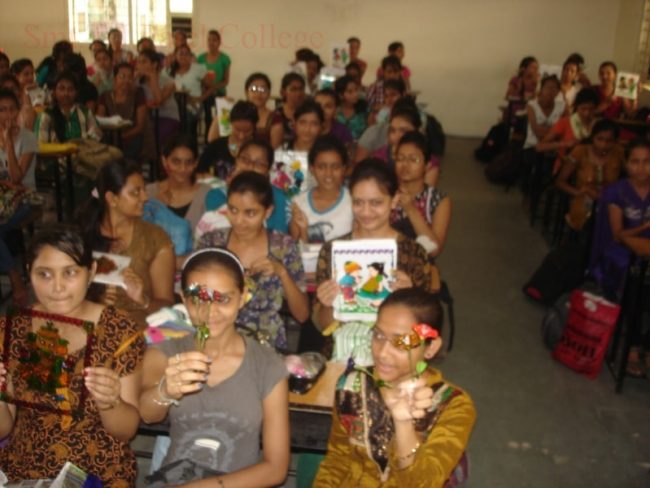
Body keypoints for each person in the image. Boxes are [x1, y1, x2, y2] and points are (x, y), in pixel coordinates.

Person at [0, 226, 145, 485]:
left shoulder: (118, 330)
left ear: (91, 273)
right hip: (25, 467)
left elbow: (126, 431)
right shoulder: (13, 329)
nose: (57, 287)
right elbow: (4, 427)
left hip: (97, 468)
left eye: (70, 273)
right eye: (44, 274)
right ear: (29, 273)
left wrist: (110, 402)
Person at [139, 248, 289, 486]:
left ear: (243, 296)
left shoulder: (267, 365)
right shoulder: (164, 353)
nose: (210, 312)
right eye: (198, 300)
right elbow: (147, 414)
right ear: (184, 299)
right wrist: (165, 391)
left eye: (224, 299)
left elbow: (276, 468)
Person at [314, 288, 476, 487]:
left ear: (431, 347)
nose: (382, 353)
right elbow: (337, 459)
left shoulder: (453, 405)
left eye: (401, 342)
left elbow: (424, 483)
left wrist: (403, 424)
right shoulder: (352, 385)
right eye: (379, 336)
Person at [314, 159, 434, 331]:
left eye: (376, 203)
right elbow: (323, 326)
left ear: (394, 200)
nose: (366, 212)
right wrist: (328, 304)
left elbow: (424, 330)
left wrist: (409, 299)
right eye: (358, 202)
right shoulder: (332, 251)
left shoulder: (414, 253)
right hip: (345, 344)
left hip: (394, 346)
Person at [198, 171, 308, 350]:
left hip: (265, 343)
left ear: (268, 211)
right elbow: (194, 297)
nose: (239, 221)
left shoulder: (283, 246)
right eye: (233, 210)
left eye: (250, 213)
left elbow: (302, 314)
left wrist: (281, 272)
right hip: (217, 336)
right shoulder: (212, 243)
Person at [79, 159, 175, 326]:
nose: (145, 197)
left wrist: (142, 300)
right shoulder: (83, 234)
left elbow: (167, 307)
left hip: (137, 327)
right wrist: (94, 299)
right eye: (135, 192)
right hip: (90, 322)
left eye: (144, 190)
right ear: (112, 198)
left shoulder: (155, 239)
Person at [588, 139, 650, 376]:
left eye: (647, 162)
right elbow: (618, 234)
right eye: (635, 162)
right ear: (626, 164)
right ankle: (633, 344)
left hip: (644, 249)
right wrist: (645, 226)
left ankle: (647, 344)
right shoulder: (617, 191)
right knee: (634, 279)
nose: (641, 168)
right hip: (619, 251)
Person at [199, 138, 291, 237]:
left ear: (268, 170)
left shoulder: (278, 197)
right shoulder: (216, 195)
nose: (250, 166)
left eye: (259, 164)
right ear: (236, 161)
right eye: (245, 159)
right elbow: (224, 232)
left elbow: (279, 235)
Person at [146, 134, 209, 263]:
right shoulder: (148, 193)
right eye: (176, 162)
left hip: (193, 266)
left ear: (196, 163)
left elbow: (211, 245)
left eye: (189, 162)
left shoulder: (207, 195)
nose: (183, 169)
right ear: (164, 161)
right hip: (150, 266)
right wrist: (153, 205)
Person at [0, 88, 38, 305]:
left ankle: (14, 277)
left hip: (25, 199)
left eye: (11, 109)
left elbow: (16, 178)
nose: (7, 115)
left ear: (18, 111)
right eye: (2, 110)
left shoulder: (28, 138)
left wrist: (8, 144)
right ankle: (13, 273)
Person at [555, 119, 624, 231]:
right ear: (593, 137)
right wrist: (579, 192)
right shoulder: (580, 151)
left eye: (609, 141)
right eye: (599, 139)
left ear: (615, 141)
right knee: (585, 213)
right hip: (584, 196)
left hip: (610, 197)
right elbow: (560, 181)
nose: (603, 145)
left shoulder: (619, 153)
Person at [391, 131, 451, 259]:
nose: (405, 164)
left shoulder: (438, 200)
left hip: (419, 264)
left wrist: (411, 209)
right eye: (400, 158)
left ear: (427, 166)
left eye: (414, 159)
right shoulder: (385, 192)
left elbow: (433, 250)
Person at [290, 134, 353, 244]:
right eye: (321, 167)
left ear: (344, 169)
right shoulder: (299, 202)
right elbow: (296, 245)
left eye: (335, 167)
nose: (328, 174)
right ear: (312, 169)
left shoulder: (353, 201)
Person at [373, 103, 439, 187]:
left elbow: (425, 194)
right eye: (393, 131)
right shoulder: (379, 157)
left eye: (403, 130)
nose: (396, 136)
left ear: (418, 131)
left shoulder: (428, 162)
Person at [536, 87, 599, 173]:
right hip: (565, 168)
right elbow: (540, 147)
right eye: (583, 109)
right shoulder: (565, 122)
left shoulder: (599, 125)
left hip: (590, 170)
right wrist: (563, 144)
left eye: (591, 109)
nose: (587, 113)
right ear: (576, 107)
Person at [97, 62, 148, 159]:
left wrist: (121, 137)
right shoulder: (105, 96)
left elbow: (140, 126)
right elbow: (100, 120)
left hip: (132, 136)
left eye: (130, 77)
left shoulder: (138, 94)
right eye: (122, 77)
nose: (126, 81)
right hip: (110, 137)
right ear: (115, 79)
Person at [34, 71, 102, 143]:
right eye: (61, 88)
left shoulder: (85, 112)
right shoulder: (46, 115)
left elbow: (97, 133)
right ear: (54, 92)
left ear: (76, 92)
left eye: (70, 89)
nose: (66, 93)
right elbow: (41, 144)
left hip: (84, 149)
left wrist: (82, 142)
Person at [198, 100, 258, 179]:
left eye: (247, 131)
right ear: (230, 123)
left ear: (254, 128)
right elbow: (200, 172)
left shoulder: (259, 150)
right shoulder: (216, 146)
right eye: (237, 130)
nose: (241, 136)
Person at [136, 48, 180, 145]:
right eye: (138, 62)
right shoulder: (138, 82)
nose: (140, 65)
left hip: (167, 117)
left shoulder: (168, 81)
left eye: (144, 62)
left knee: (156, 137)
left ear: (154, 64)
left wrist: (153, 77)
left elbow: (159, 101)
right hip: (146, 118)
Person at [168, 44, 210, 138]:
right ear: (175, 56)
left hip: (193, 106)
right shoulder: (170, 70)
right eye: (181, 54)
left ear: (190, 56)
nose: (183, 56)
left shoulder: (197, 69)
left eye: (186, 54)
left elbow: (211, 87)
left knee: (186, 121)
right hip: (175, 106)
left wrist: (200, 98)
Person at [198, 29, 232, 137]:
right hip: (205, 94)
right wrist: (206, 87)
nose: (211, 43)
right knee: (208, 120)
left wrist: (214, 87)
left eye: (214, 40)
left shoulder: (225, 59)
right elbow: (198, 78)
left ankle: (223, 143)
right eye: (209, 40)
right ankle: (208, 142)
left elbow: (226, 81)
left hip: (220, 93)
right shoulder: (200, 59)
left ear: (219, 42)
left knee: (224, 123)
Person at [275, 72, 307, 146]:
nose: (298, 93)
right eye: (293, 89)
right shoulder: (276, 115)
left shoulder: (309, 113)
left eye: (301, 89)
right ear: (283, 92)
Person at [335, 75, 367, 141]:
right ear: (340, 95)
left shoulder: (364, 109)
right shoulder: (335, 111)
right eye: (350, 92)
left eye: (356, 90)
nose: (355, 94)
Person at [9, 58, 38, 130]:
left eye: (32, 74)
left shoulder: (37, 93)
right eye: (26, 74)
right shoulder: (12, 96)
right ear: (16, 76)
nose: (31, 77)